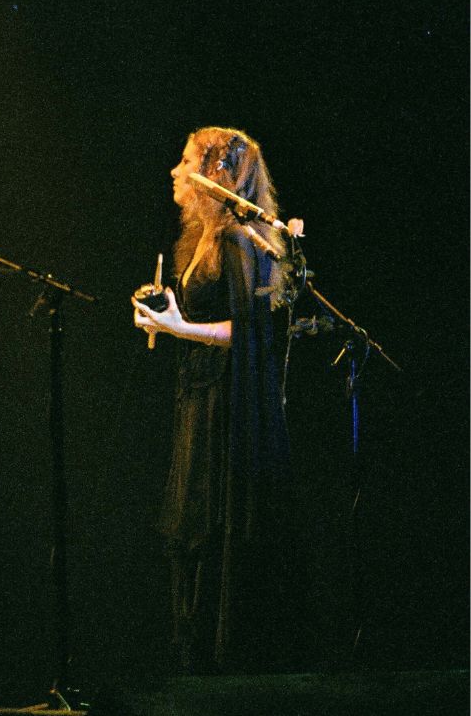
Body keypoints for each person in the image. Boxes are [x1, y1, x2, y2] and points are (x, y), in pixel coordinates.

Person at [132, 126, 295, 674]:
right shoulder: (198, 238)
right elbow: (201, 314)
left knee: (208, 526)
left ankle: (217, 668)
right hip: (197, 392)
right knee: (189, 529)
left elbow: (248, 334)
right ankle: (191, 662)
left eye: (185, 163)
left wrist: (179, 328)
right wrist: (165, 309)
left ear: (215, 176)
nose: (176, 172)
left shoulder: (236, 241)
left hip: (223, 401)